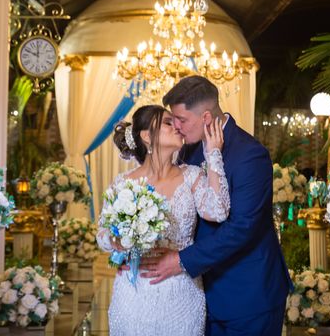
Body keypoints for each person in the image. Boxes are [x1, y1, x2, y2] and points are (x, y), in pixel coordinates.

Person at [140, 76, 292, 335]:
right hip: (200, 293)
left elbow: (242, 228)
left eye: (182, 120)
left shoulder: (250, 155)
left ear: (207, 118)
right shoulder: (187, 149)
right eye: (173, 119)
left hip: (247, 295)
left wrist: (181, 260)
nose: (176, 126)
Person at [96, 104, 229, 335]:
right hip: (133, 294)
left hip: (182, 293)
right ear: (147, 136)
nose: (177, 126)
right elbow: (102, 235)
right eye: (168, 122)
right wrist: (118, 242)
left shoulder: (192, 176)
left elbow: (218, 211)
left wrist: (214, 153)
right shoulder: (122, 183)